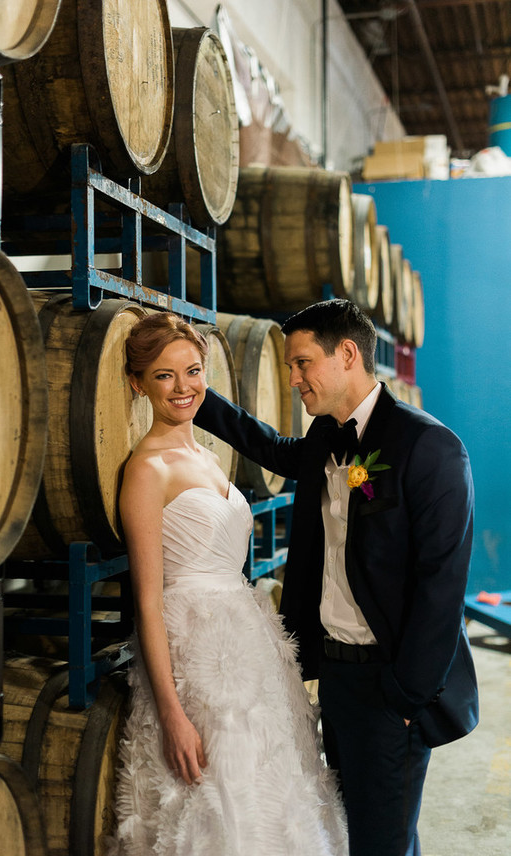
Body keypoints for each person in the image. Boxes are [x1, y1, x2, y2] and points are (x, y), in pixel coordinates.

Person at [193, 298, 478, 856]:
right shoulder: (328, 435)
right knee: (359, 833)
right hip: (339, 677)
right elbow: (271, 448)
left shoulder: (429, 448)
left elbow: (442, 588)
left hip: (390, 686)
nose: (294, 378)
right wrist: (197, 398)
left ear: (347, 354)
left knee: (382, 842)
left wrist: (405, 697)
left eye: (302, 363)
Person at [106, 311, 347, 856]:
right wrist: (172, 712)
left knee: (278, 797)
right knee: (219, 808)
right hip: (196, 665)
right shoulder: (147, 469)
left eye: (192, 371)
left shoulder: (210, 459)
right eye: (164, 375)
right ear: (136, 382)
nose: (183, 387)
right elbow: (147, 602)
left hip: (251, 651)